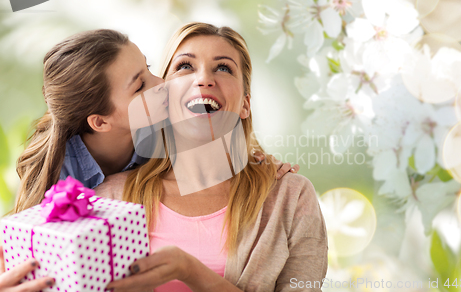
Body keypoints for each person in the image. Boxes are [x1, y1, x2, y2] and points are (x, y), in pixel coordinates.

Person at [96, 22, 328, 292]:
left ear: (244, 105)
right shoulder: (110, 199)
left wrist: (190, 271)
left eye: (223, 68)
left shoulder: (291, 197)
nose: (204, 79)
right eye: (185, 66)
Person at [13, 29, 298, 214]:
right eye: (139, 86)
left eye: (148, 68)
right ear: (100, 122)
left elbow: (215, 133)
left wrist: (257, 161)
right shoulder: (59, 173)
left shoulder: (162, 127)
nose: (161, 82)